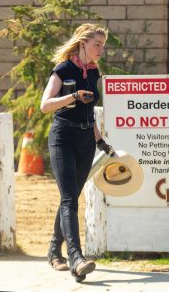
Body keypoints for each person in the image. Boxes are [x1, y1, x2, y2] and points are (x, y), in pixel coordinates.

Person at [40, 23, 111, 282]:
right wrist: (72, 97)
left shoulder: (94, 72)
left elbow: (89, 112)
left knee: (70, 196)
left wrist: (100, 140)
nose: (101, 49)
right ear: (83, 43)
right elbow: (45, 105)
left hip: (85, 140)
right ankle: (76, 259)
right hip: (62, 137)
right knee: (70, 198)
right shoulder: (63, 69)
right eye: (97, 44)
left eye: (103, 45)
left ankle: (52, 250)